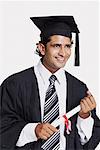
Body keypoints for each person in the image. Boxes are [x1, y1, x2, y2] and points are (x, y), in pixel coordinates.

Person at [0, 16, 100, 150]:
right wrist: (33, 130)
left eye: (68, 46)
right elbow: (3, 126)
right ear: (42, 48)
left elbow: (85, 141)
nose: (63, 53)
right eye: (57, 46)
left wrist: (85, 117)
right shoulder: (14, 84)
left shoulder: (78, 88)